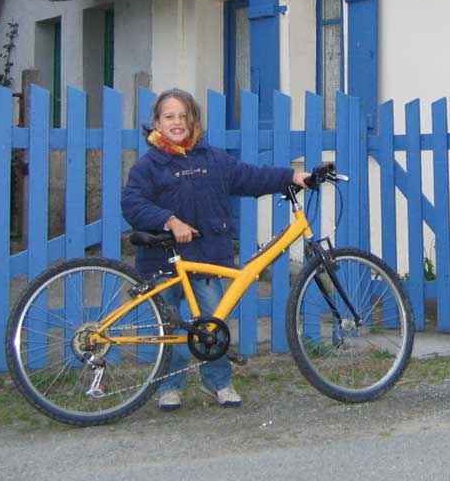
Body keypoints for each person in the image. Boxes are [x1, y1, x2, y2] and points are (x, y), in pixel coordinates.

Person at [121, 88, 310, 411]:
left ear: (194, 120)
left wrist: (292, 176)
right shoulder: (148, 167)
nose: (177, 122)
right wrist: (169, 220)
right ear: (157, 123)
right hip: (162, 260)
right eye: (169, 117)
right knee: (171, 330)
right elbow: (133, 204)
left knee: (212, 328)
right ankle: (170, 387)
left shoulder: (215, 159)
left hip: (207, 257)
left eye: (184, 116)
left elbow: (251, 177)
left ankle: (219, 383)